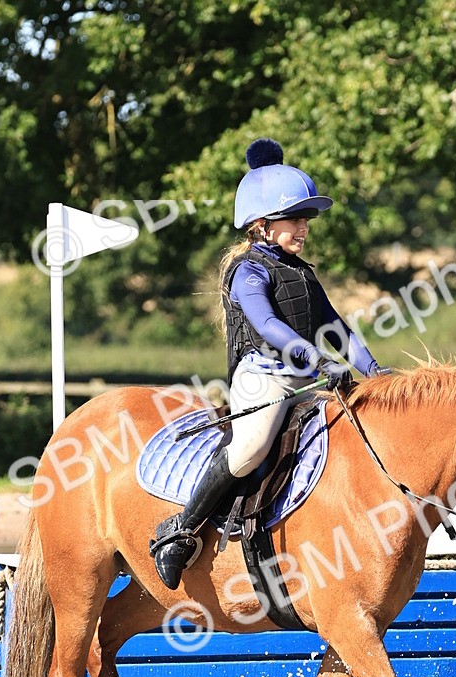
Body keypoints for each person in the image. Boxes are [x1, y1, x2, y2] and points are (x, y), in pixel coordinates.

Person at [150, 137, 388, 590]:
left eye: (305, 219)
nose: (304, 228)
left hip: (307, 376)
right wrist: (316, 357)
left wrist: (374, 371)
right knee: (252, 446)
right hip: (264, 377)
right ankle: (180, 530)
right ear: (261, 225)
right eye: (295, 219)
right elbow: (268, 325)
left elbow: (336, 327)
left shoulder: (302, 273)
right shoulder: (249, 271)